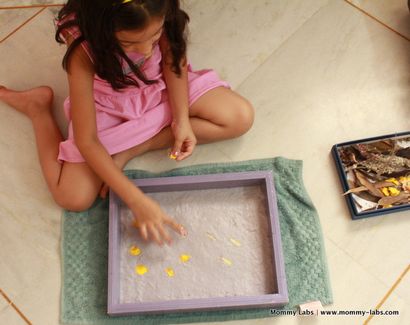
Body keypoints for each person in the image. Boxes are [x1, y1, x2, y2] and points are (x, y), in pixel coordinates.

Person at [0, 0, 254, 245]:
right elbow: (88, 140)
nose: (145, 50)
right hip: (108, 106)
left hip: (159, 87)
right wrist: (135, 199)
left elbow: (174, 63)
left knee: (240, 117)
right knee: (72, 197)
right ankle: (37, 110)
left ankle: (131, 148)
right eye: (129, 43)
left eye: (154, 38)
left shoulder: (157, 10)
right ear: (101, 29)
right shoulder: (83, 49)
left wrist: (182, 119)